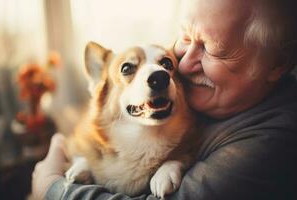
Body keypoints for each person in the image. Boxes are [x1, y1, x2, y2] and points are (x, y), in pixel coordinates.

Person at [32, 0, 297, 199]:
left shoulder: (272, 141)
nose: (181, 66)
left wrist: (51, 188)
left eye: (214, 49)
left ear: (276, 64)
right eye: (185, 37)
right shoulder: (208, 92)